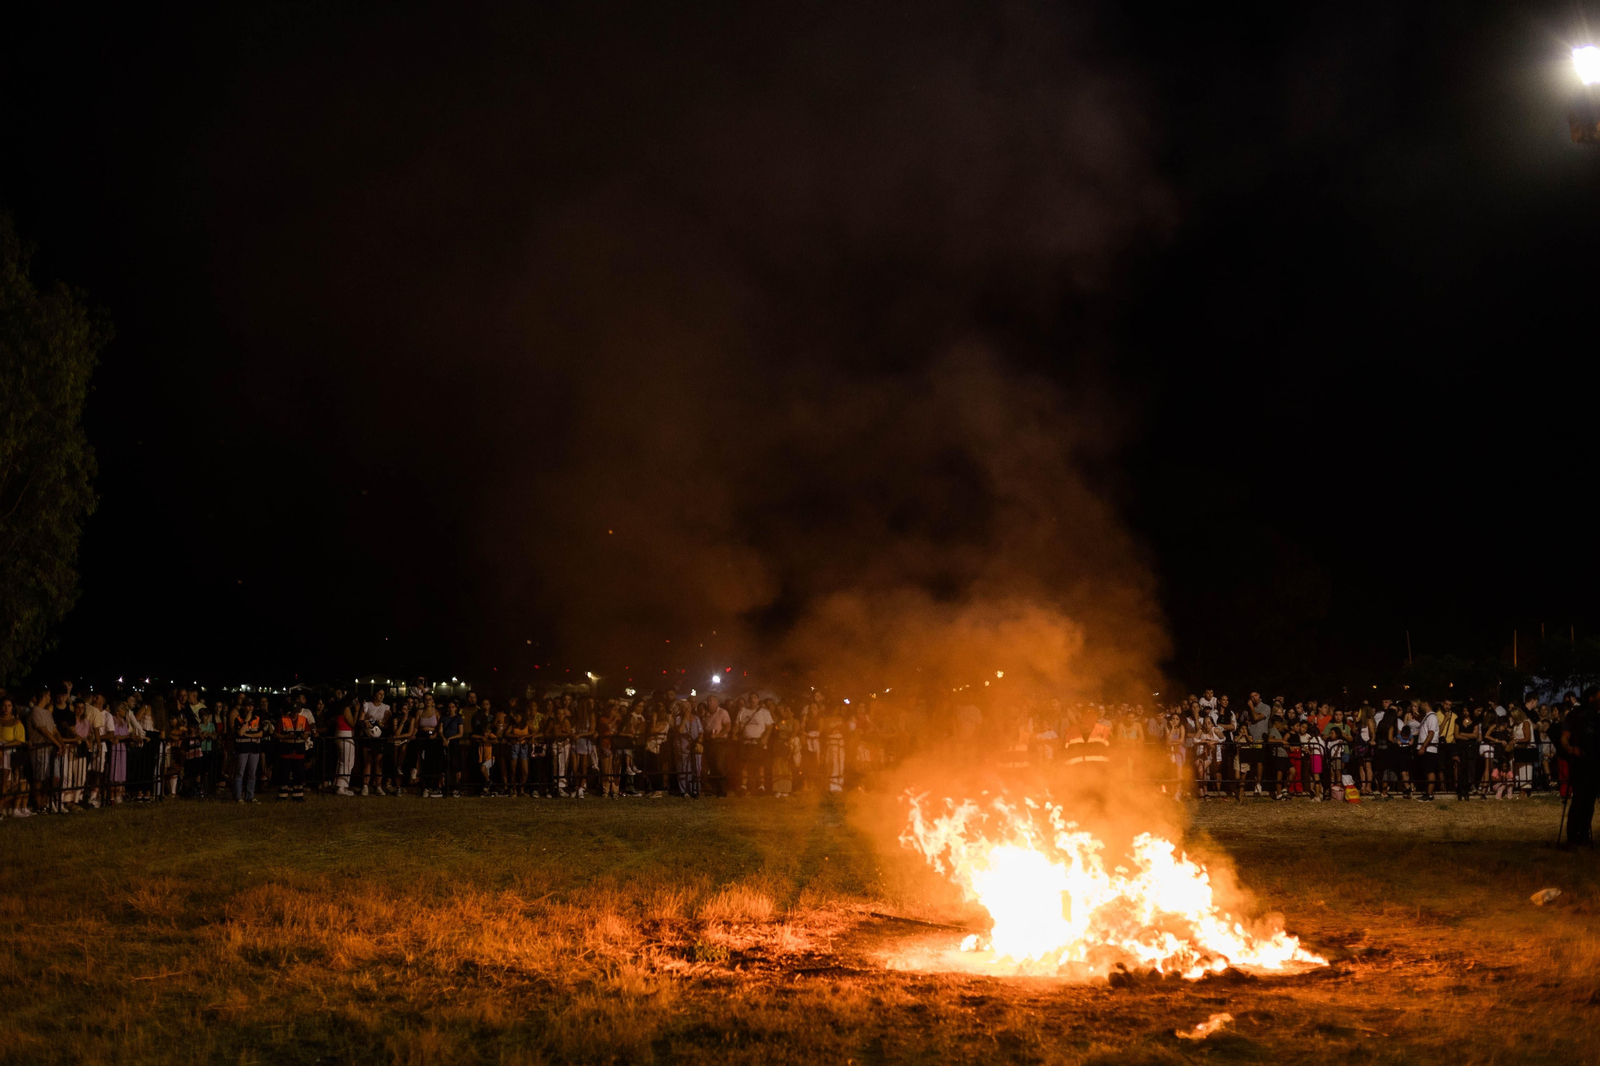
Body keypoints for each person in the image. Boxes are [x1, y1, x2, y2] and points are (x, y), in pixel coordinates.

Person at [1559, 691, 1598, 845]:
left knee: (1590, 801)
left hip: (1594, 762)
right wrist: (1571, 750)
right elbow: (1564, 739)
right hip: (1580, 763)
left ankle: (1583, 834)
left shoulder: (1596, 716)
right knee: (1579, 800)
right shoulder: (1575, 716)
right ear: (1591, 698)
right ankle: (1572, 834)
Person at [276, 698, 313, 801]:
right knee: (284, 774)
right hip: (286, 751)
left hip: (298, 751)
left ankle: (298, 796)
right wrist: (287, 737)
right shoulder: (283, 720)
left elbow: (307, 733)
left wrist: (301, 736)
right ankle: (282, 795)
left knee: (299, 775)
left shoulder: (303, 719)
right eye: (293, 712)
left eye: (296, 712)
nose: (294, 714)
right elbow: (276, 734)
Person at [233, 699, 264, 803]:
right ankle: (238, 797)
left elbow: (260, 734)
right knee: (240, 772)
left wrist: (248, 735)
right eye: (248, 706)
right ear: (243, 707)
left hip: (254, 749)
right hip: (242, 749)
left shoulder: (257, 719)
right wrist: (246, 721)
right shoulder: (238, 719)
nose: (251, 708)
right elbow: (240, 733)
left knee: (252, 773)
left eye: (252, 706)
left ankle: (250, 797)